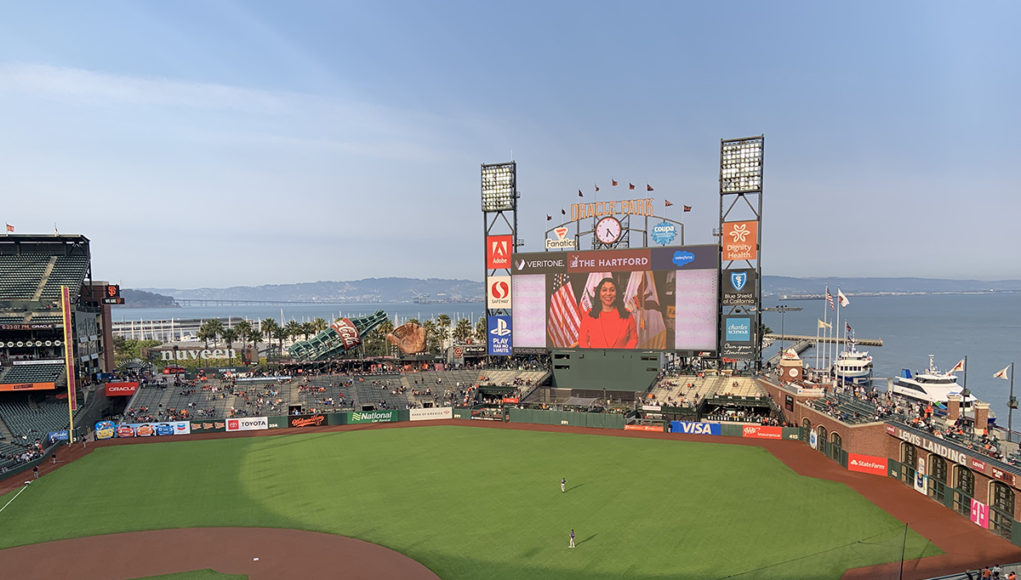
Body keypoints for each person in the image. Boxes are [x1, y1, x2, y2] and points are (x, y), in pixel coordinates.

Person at [577, 278, 637, 349]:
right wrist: (591, 355)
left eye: (612, 290)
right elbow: (582, 340)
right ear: (599, 293)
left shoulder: (627, 314)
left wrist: (624, 354)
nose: (608, 294)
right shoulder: (589, 315)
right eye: (604, 290)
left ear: (617, 293)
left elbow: (633, 339)